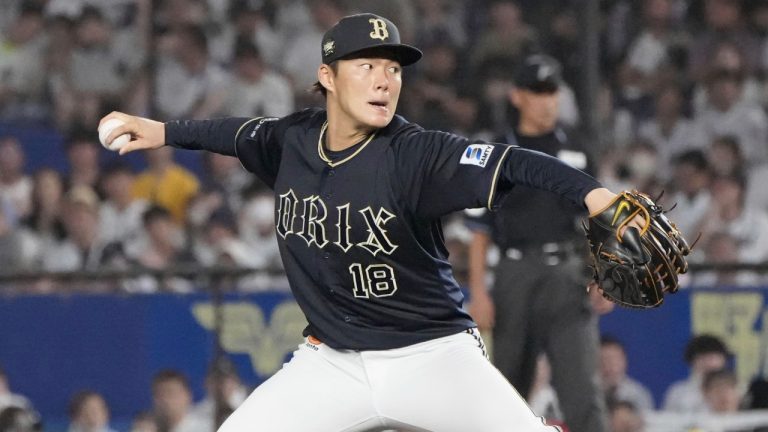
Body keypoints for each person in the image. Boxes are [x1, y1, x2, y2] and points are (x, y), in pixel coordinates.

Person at [102, 13, 638, 432]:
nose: (384, 80)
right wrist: (163, 130)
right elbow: (234, 132)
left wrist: (596, 196)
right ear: (327, 77)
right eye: (367, 66)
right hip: (330, 363)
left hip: (433, 357)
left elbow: (513, 161)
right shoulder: (291, 141)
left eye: (394, 68)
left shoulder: (418, 155)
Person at [466, 54, 611, 432]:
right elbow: (479, 230)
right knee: (506, 388)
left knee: (582, 392)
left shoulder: (578, 148)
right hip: (516, 271)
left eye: (552, 91)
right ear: (517, 96)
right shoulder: (497, 153)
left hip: (569, 273)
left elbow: (598, 219)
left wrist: (605, 274)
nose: (547, 100)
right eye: (537, 91)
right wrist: (478, 292)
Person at [663, 334, 730, 413]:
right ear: (691, 362)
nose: (708, 363)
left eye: (712, 358)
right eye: (702, 358)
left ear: (724, 361)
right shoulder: (678, 393)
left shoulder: (737, 390)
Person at [599, 335, 655, 411]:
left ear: (624, 361)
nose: (610, 365)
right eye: (604, 360)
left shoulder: (638, 393)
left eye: (615, 359)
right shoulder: (585, 393)